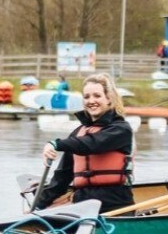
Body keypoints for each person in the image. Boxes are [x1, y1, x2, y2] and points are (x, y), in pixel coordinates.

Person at [32, 73, 134, 212]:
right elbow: (62, 177)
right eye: (87, 97)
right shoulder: (78, 133)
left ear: (109, 99)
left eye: (97, 96)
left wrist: (55, 144)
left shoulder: (121, 129)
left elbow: (93, 144)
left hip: (114, 204)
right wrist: (39, 204)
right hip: (82, 205)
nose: (91, 101)